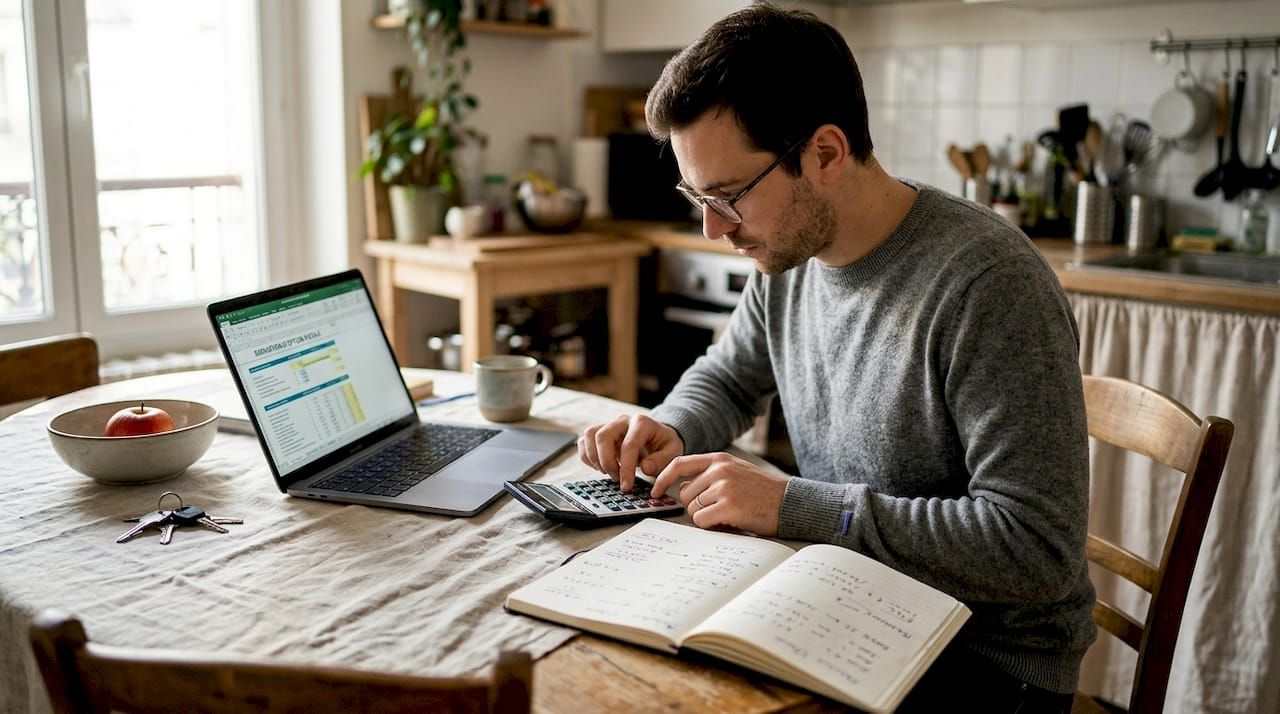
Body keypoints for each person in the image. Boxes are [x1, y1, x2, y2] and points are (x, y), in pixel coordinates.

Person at [576, 4, 1094, 711]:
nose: (712, 228)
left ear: (825, 154)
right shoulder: (791, 256)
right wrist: (671, 426)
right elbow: (729, 377)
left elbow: (1036, 549)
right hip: (849, 597)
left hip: (985, 662)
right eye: (696, 196)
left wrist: (795, 506)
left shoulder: (988, 283)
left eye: (727, 196)